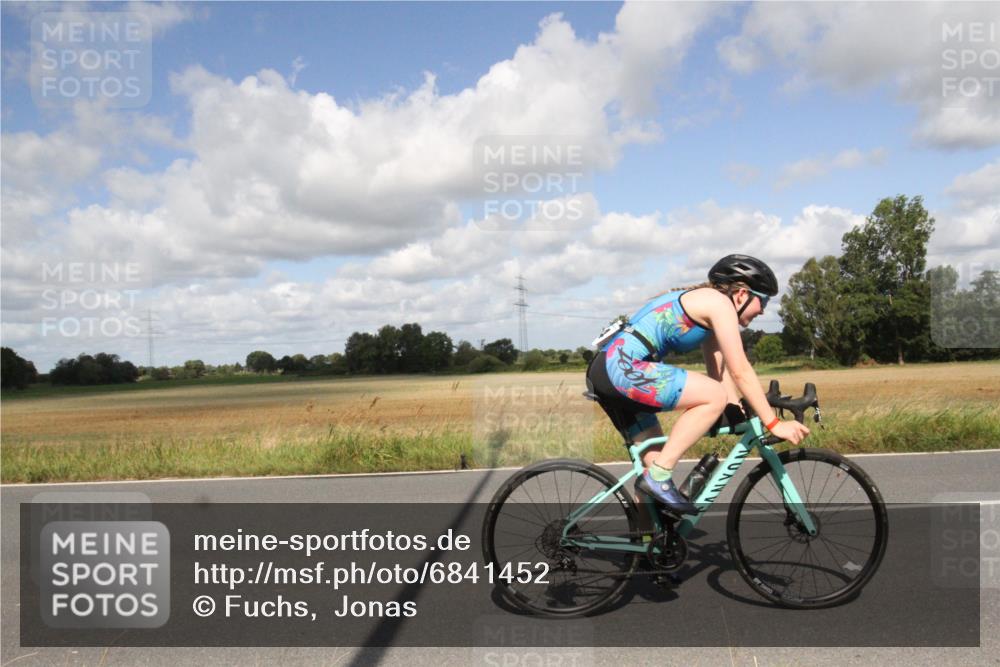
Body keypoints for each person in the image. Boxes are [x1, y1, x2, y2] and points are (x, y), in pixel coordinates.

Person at [585, 254, 810, 514]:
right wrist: (774, 423)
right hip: (622, 369)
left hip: (608, 370)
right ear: (741, 294)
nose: (762, 310)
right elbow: (740, 370)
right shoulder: (720, 304)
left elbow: (720, 370)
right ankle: (658, 477)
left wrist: (737, 409)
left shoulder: (709, 309)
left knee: (653, 462)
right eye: (764, 301)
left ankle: (649, 536)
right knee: (663, 466)